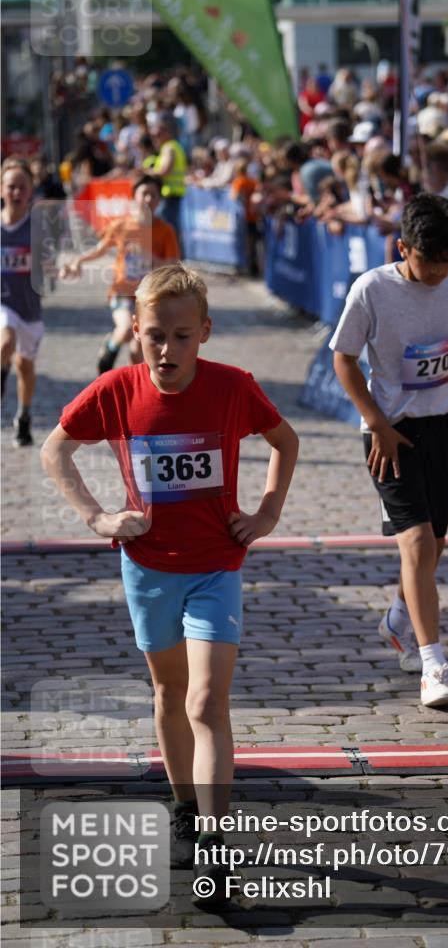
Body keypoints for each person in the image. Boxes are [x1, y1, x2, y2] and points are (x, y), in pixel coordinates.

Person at [40, 264, 299, 907]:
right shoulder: (117, 390)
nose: (167, 350)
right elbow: (55, 450)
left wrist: (266, 513)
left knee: (207, 703)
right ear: (135, 332)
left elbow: (284, 442)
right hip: (149, 569)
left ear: (205, 333)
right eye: (155, 335)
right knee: (169, 691)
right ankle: (184, 806)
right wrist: (97, 516)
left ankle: (214, 846)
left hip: (218, 565)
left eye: (182, 337)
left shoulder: (234, 388)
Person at [330, 193, 448, 707]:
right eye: (430, 261)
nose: (440, 272)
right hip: (391, 434)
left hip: (446, 425)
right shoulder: (372, 290)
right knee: (419, 547)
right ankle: (433, 664)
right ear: (403, 248)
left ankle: (399, 621)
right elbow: (344, 359)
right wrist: (376, 421)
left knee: (434, 549)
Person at [59, 175, 180, 373]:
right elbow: (100, 249)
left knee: (138, 350)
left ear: (159, 200)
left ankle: (137, 388)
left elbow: (173, 265)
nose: (149, 199)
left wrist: (149, 258)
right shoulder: (121, 226)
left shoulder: (165, 231)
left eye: (154, 195)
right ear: (135, 197)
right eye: (144, 194)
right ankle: (108, 354)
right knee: (124, 329)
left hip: (149, 296)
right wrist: (77, 261)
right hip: (121, 292)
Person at [1, 158, 44, 447]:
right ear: (1, 189)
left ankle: (24, 415)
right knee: (6, 342)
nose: (16, 193)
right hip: (3, 304)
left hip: (30, 309)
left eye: (22, 187)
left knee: (26, 367)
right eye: (11, 186)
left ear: (30, 192)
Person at [150, 112, 188, 245]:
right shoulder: (175, 146)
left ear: (166, 132)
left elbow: (165, 170)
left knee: (168, 228)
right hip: (174, 193)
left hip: (169, 194)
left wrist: (149, 173)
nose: (156, 137)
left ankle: (172, 259)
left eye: (158, 134)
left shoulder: (169, 147)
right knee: (172, 228)